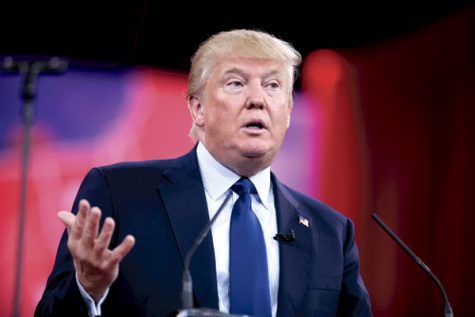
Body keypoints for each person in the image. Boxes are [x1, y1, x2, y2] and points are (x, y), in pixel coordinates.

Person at [35, 29, 373, 317]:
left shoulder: (330, 232)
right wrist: (87, 289)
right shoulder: (120, 195)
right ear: (197, 108)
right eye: (237, 83)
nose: (257, 99)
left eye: (273, 86)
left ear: (287, 113)